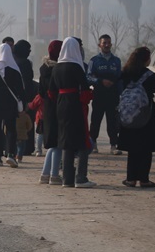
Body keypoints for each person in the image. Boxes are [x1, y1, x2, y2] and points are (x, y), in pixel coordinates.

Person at [117, 46, 155, 188]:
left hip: (128, 116)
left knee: (132, 149)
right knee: (146, 149)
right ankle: (144, 179)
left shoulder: (125, 73)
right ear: (146, 60)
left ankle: (130, 179)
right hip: (146, 116)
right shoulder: (150, 76)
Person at [50, 37, 96, 188]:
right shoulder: (77, 67)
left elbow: (51, 92)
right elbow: (84, 91)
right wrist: (90, 95)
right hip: (75, 104)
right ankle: (81, 178)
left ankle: (67, 179)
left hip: (60, 105)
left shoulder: (56, 67)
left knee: (66, 141)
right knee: (83, 140)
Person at [88, 34, 122, 155]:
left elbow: (119, 78)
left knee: (112, 121)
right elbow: (88, 77)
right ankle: (93, 144)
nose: (107, 45)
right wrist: (100, 81)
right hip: (99, 95)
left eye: (109, 43)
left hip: (113, 96)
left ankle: (114, 145)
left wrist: (121, 94)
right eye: (104, 43)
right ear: (99, 45)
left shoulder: (116, 61)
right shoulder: (94, 61)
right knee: (95, 120)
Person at [38, 40, 64, 185]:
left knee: (52, 143)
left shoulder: (43, 69)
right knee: (58, 143)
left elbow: (41, 92)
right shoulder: (59, 70)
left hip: (47, 108)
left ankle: (45, 174)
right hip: (58, 107)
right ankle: (54, 175)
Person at [12, 40, 37, 161]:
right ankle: (27, 147)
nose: (29, 51)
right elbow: (27, 83)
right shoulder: (25, 63)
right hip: (27, 97)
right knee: (28, 124)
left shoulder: (12, 61)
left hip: (17, 98)